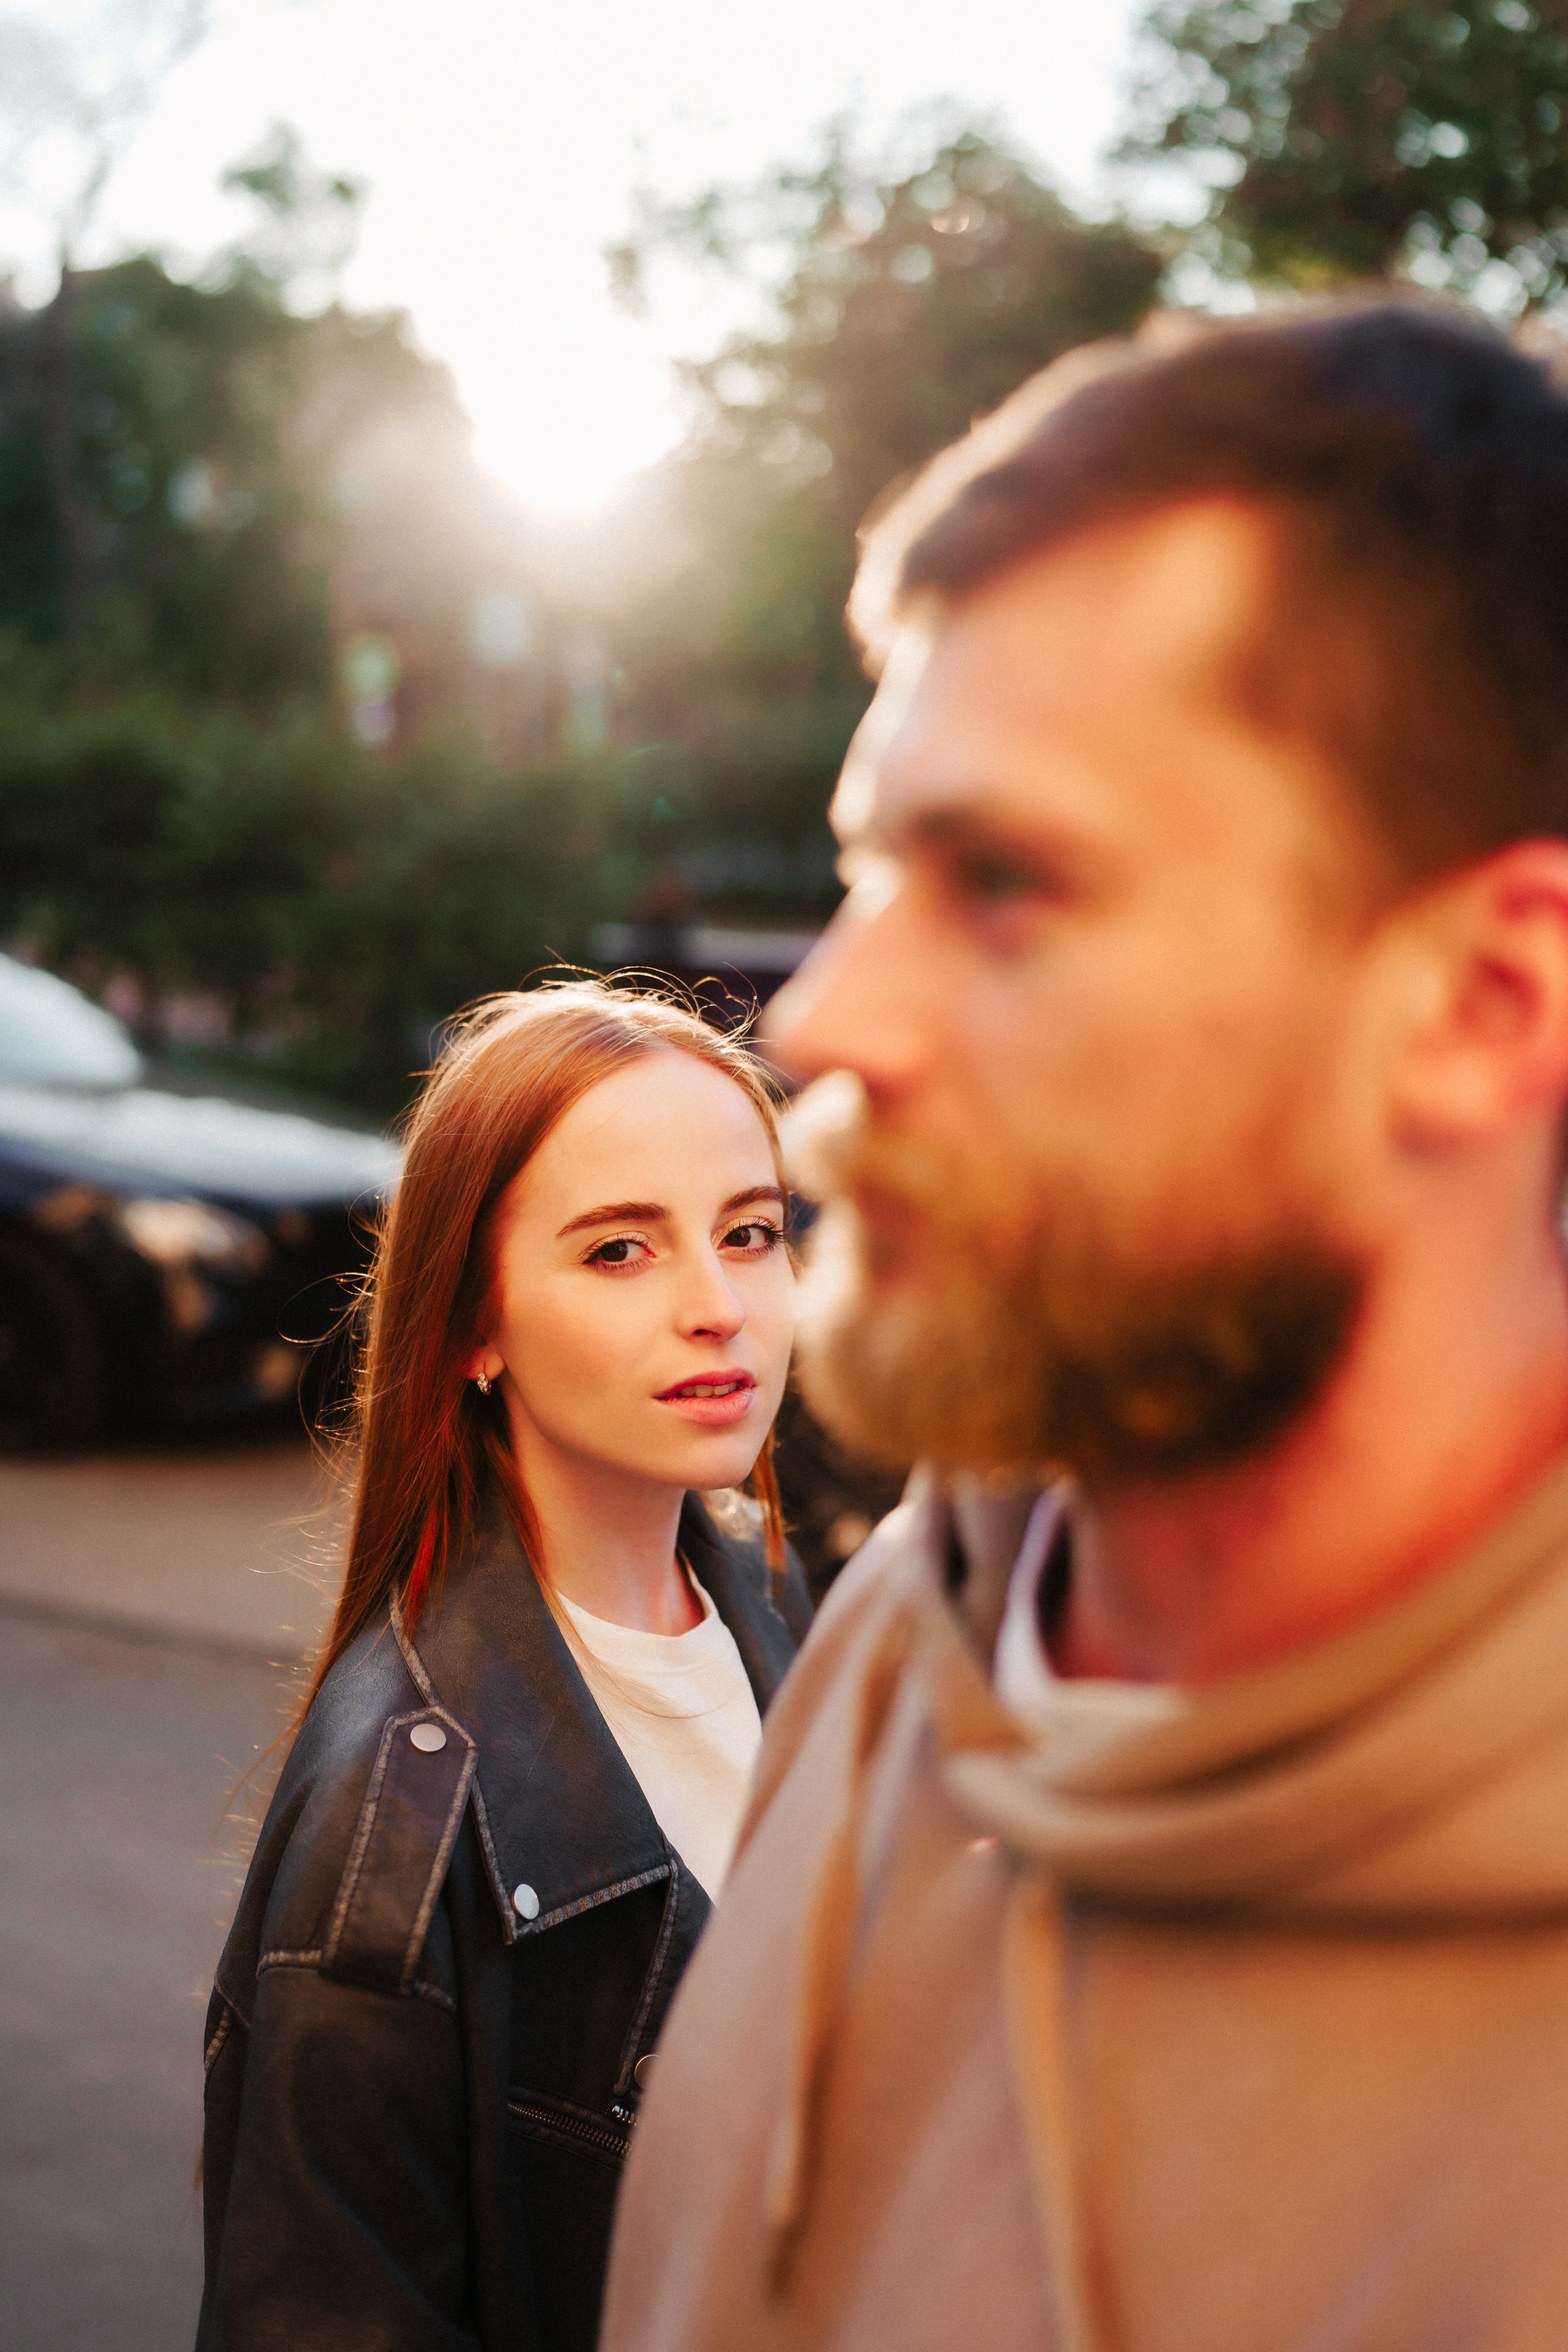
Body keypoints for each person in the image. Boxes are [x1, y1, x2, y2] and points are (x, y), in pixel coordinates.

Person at [599, 299, 1568, 2351]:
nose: (824, 1022)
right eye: (872, 869)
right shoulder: (887, 1646)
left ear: (1490, 1007)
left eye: (1010, 882)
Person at [196, 981, 809, 2351]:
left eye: (751, 1232)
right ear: (474, 1327)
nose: (719, 1306)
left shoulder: (774, 1599)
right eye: (617, 1253)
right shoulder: (393, 1842)